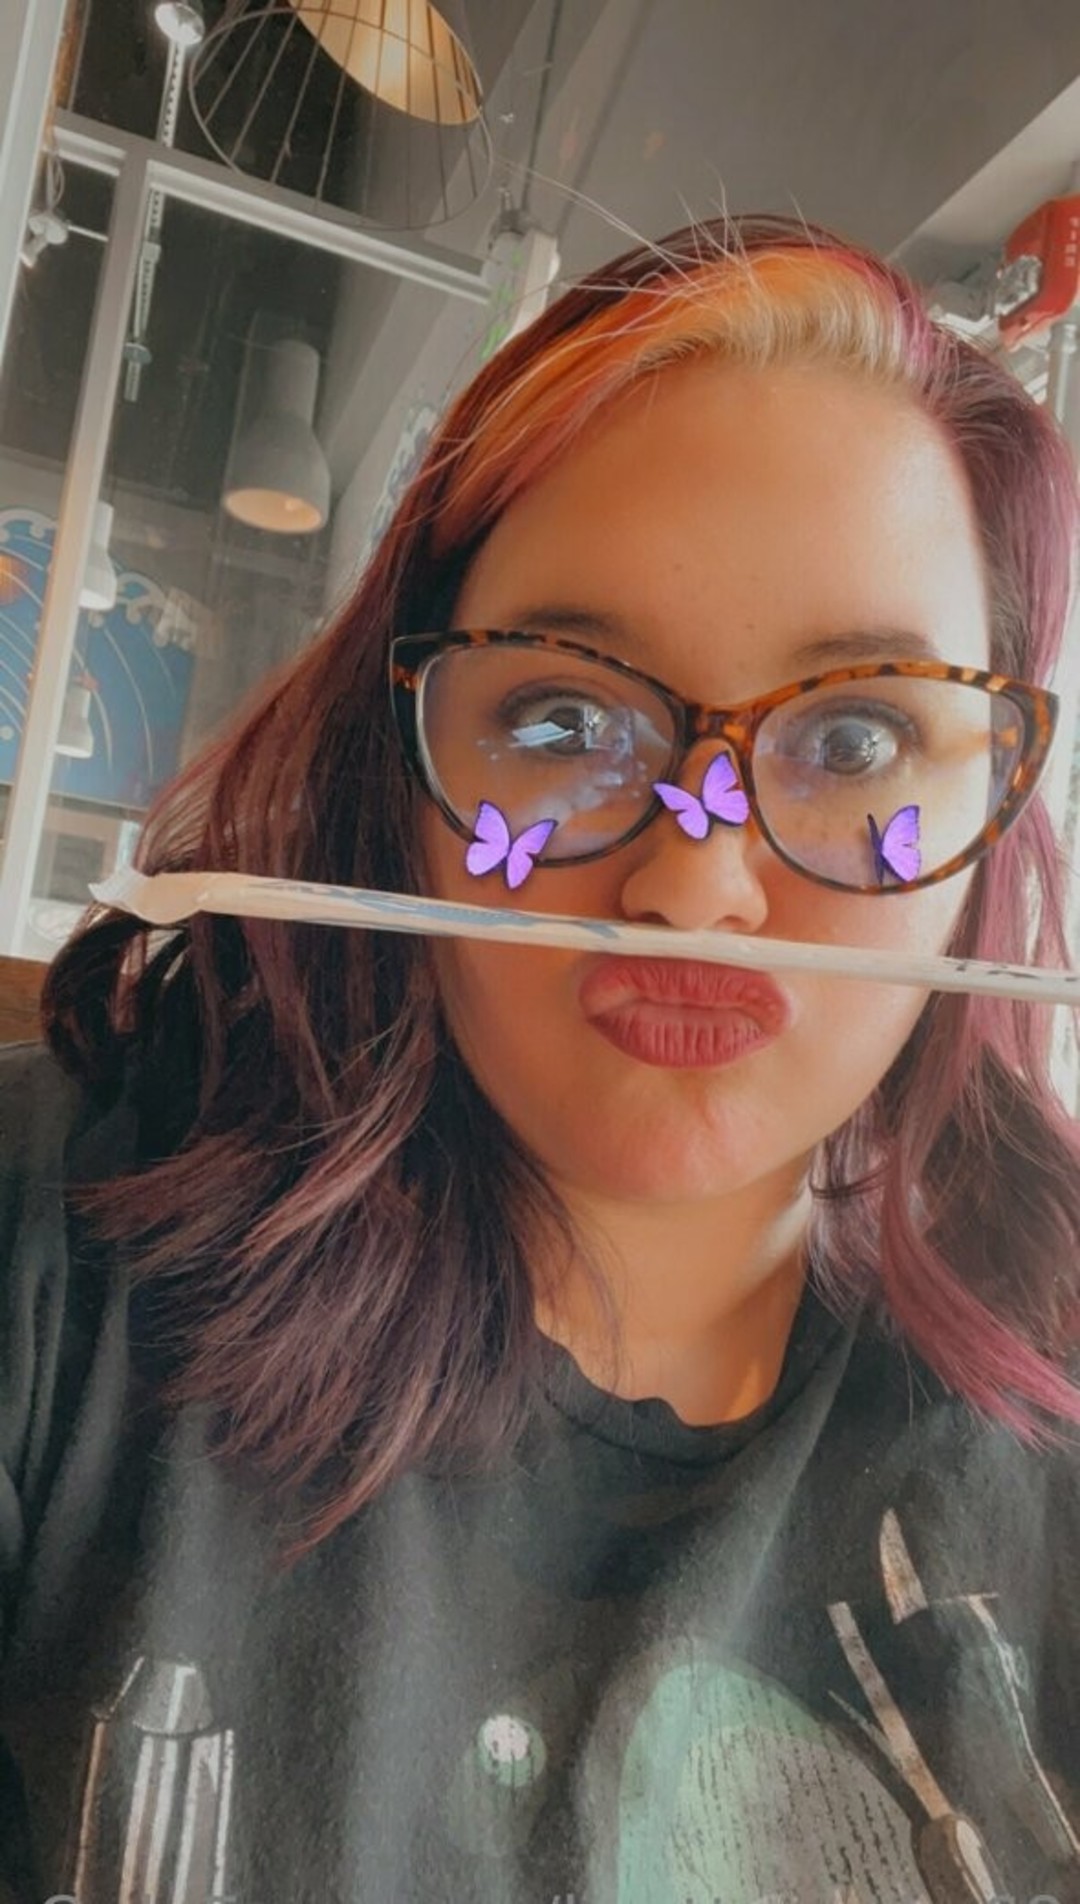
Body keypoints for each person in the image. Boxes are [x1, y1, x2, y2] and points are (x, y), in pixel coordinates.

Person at [1, 211, 1079, 1904]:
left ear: (990, 819)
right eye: (565, 719)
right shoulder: (58, 1253)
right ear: (403, 758)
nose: (696, 890)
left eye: (859, 732)